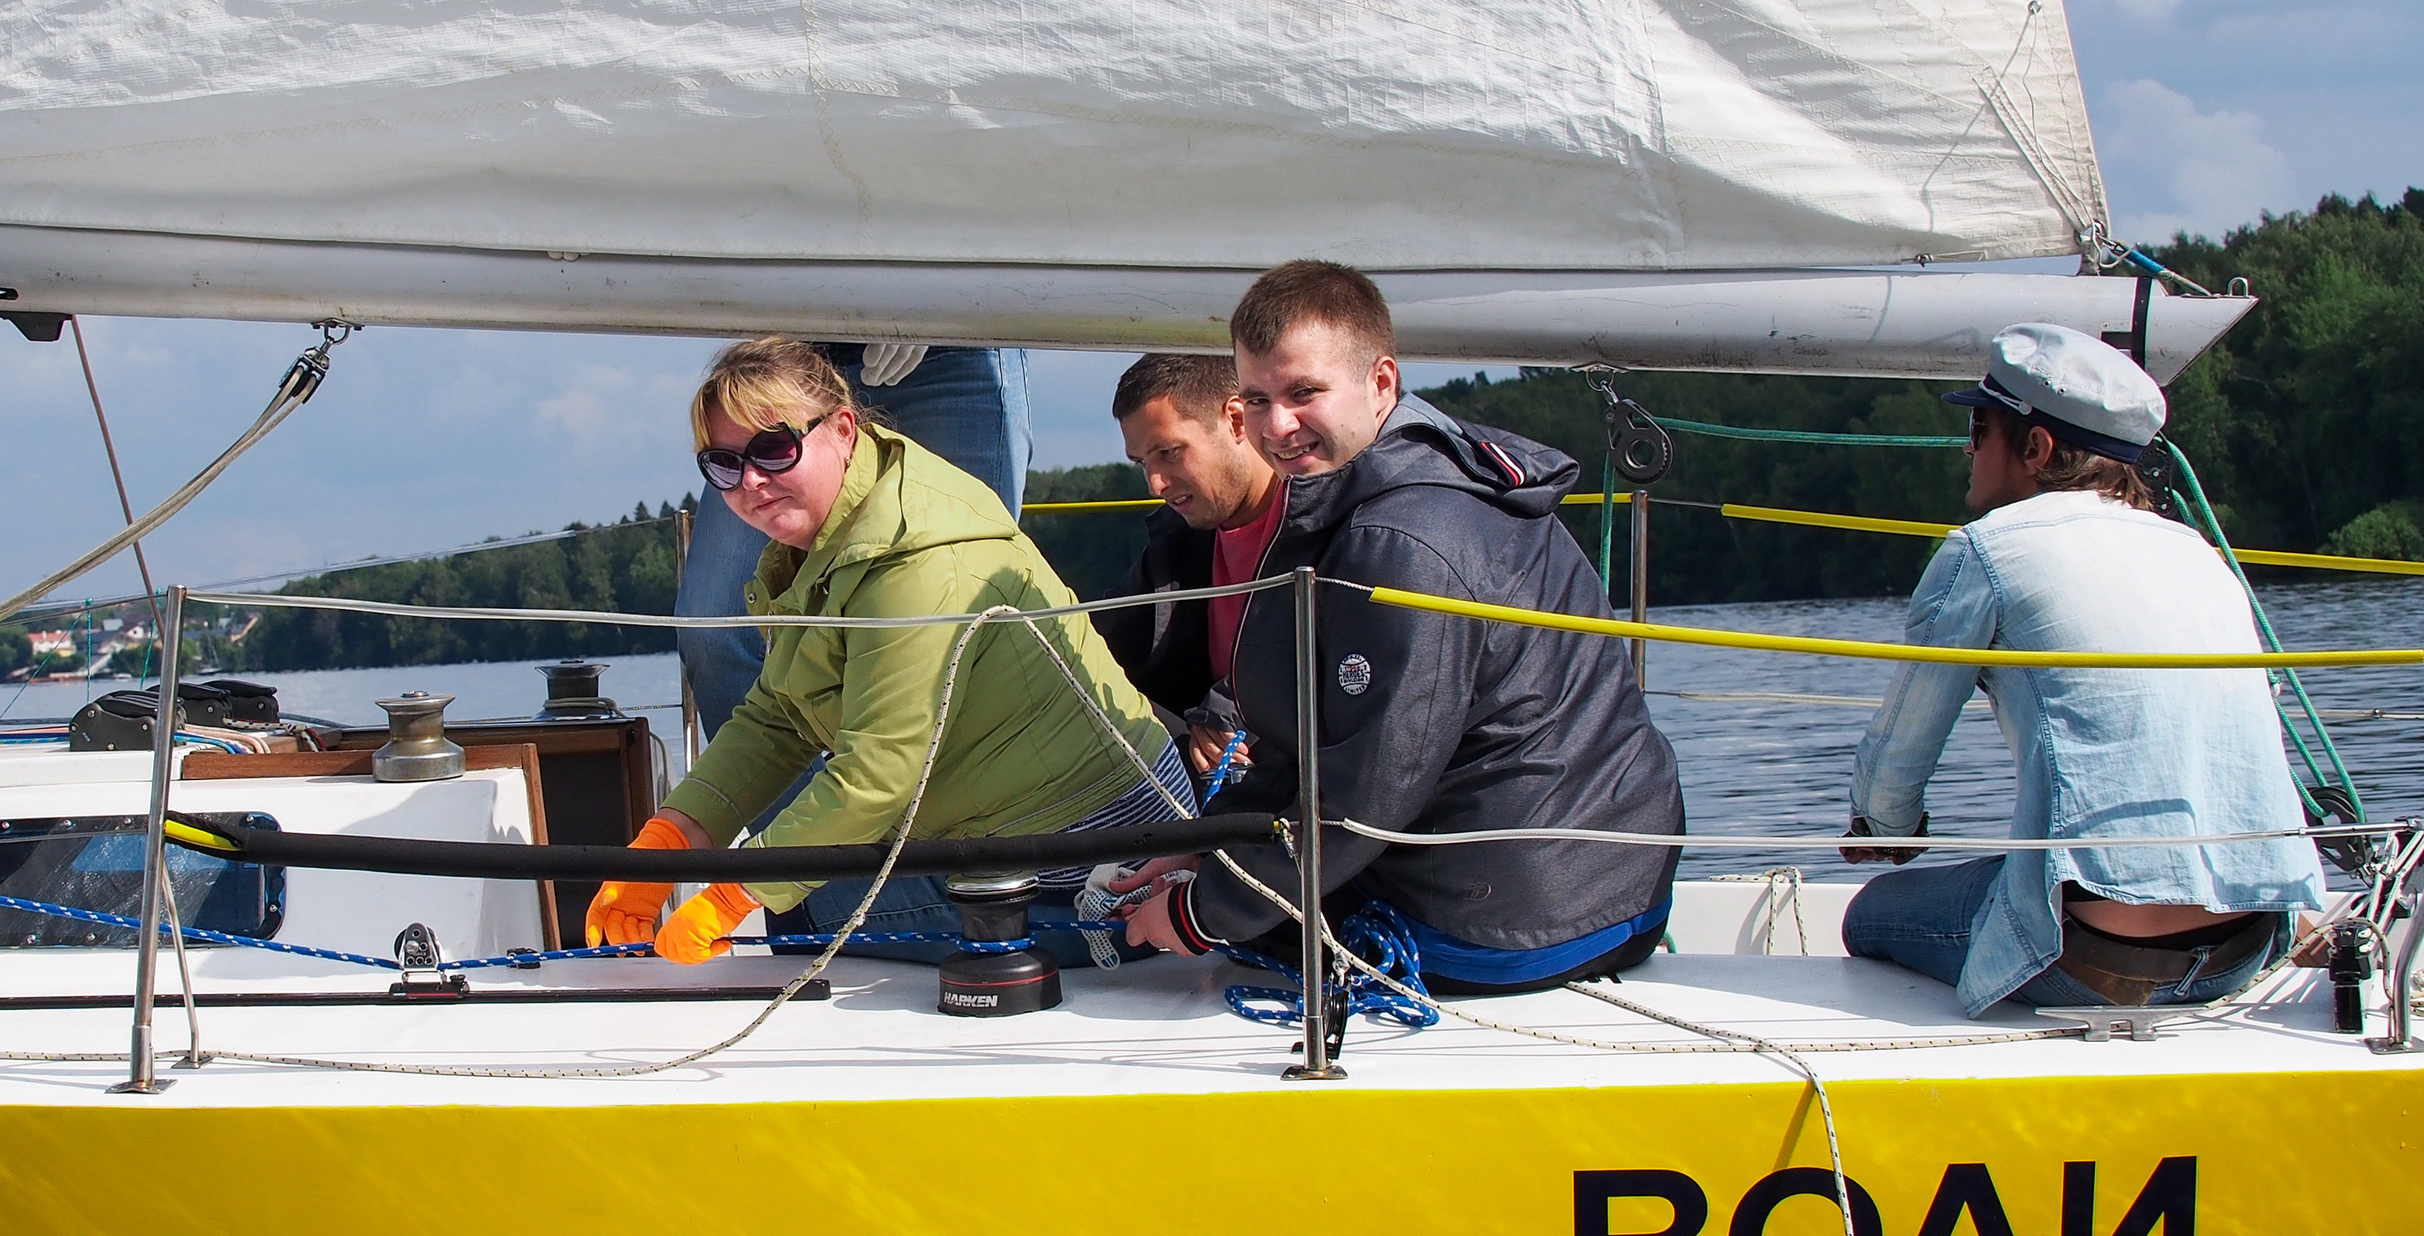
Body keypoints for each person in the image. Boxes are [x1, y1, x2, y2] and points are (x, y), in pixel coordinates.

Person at [1109, 261, 1686, 995]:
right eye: (1257, 399)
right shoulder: (1420, 479)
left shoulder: (1401, 541)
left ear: (1381, 383)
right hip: (1613, 884)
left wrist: (1203, 911)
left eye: (1304, 393)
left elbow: (1367, 789)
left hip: (1511, 921)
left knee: (1213, 932)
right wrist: (1210, 848)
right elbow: (1323, 749)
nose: (1276, 426)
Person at [589, 338, 1188, 968]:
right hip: (1025, 845)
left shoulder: (915, 560)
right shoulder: (833, 537)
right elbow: (778, 718)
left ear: (844, 429)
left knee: (795, 911)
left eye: (774, 448)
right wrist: (669, 839)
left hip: (1098, 879)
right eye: (723, 464)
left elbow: (876, 777)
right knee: (793, 890)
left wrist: (736, 894)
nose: (752, 481)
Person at [1839, 324, 2326, 1016]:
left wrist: (1884, 829)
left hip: (2091, 958)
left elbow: (1902, 748)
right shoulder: (2200, 554)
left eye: (1979, 428)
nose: (1968, 449)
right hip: (2243, 947)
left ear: (2035, 448)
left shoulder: (1985, 551)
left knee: (1870, 914)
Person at [1097, 353, 1279, 785]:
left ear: (1236, 420)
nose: (1155, 484)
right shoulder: (1178, 540)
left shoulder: (1335, 528)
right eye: (1143, 463)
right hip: (1203, 782)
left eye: (1169, 453)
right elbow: (1096, 645)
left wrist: (1230, 709)